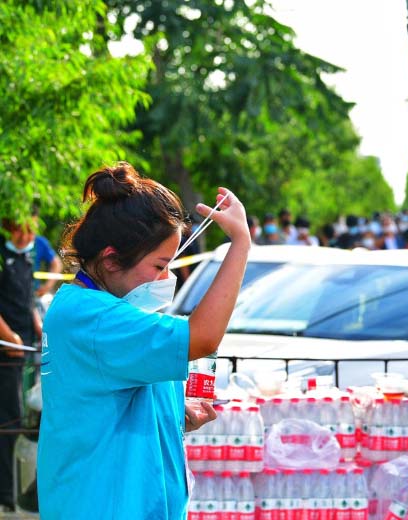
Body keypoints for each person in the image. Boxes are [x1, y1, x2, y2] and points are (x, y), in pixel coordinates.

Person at [37, 162, 250, 519]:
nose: (166, 278)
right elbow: (202, 338)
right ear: (111, 260)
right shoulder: (94, 317)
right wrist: (241, 243)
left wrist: (176, 415)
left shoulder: (102, 310)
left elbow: (111, 404)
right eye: (158, 265)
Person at [0, 218, 41, 512]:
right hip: (7, 351)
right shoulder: (3, 260)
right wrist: (8, 336)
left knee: (20, 417)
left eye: (30, 231)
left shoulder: (26, 260)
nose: (26, 236)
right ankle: (5, 494)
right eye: (20, 230)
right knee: (9, 420)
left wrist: (39, 327)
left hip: (25, 350)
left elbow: (26, 301)